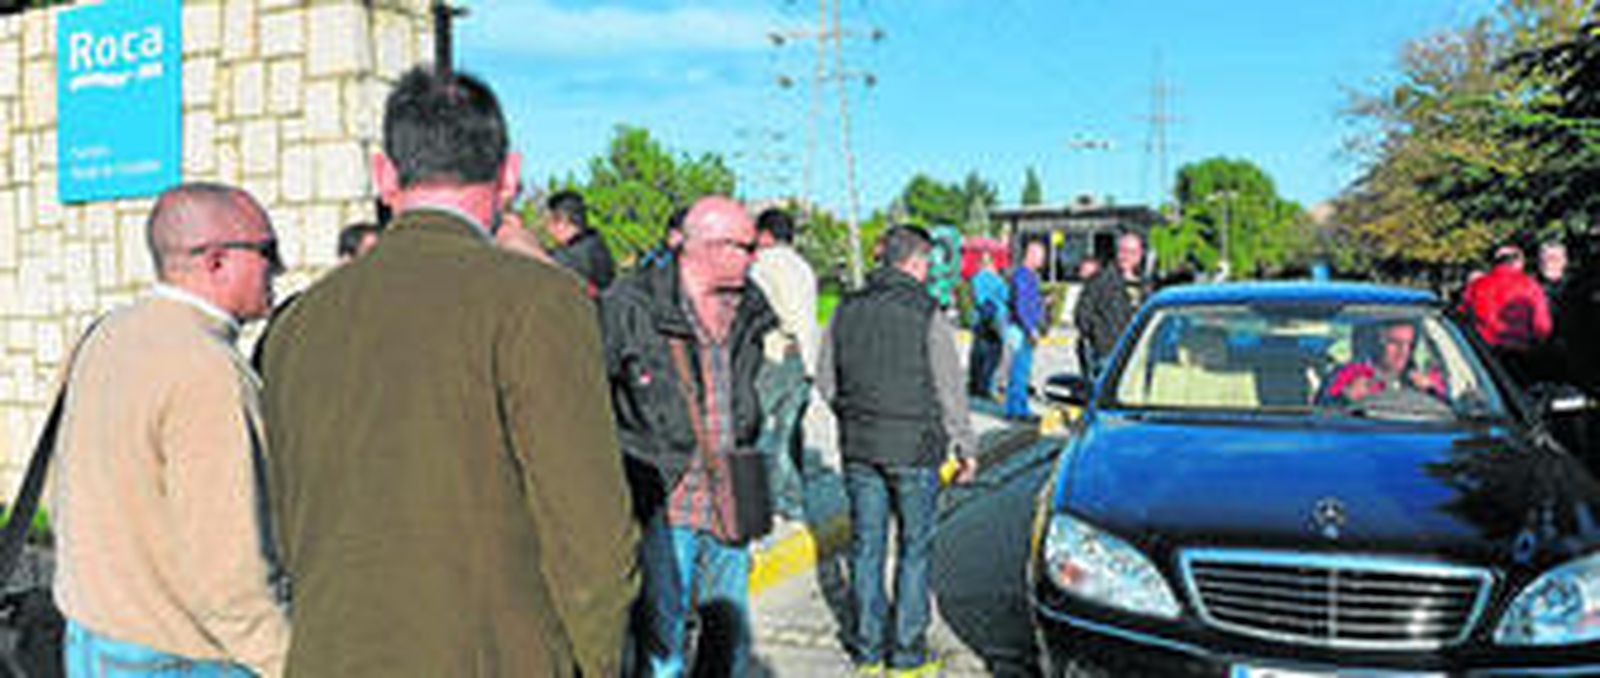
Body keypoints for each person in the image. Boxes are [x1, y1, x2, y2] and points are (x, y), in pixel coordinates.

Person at [258, 66, 638, 676]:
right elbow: (594, 544)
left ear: (383, 175)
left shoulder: (298, 324)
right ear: (509, 175)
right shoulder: (538, 302)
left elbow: (285, 525)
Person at [52, 182, 289, 676]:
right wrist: (289, 661)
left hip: (91, 638)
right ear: (217, 260)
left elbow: (67, 492)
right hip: (178, 657)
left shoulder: (103, 334)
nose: (280, 268)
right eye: (269, 251)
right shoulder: (207, 371)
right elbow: (230, 572)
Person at [599, 195, 778, 677]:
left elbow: (745, 392)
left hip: (731, 495)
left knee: (729, 636)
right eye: (744, 246)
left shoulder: (749, 306)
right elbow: (592, 392)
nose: (753, 256)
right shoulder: (630, 304)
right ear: (708, 247)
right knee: (663, 641)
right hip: (666, 500)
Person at [817, 225, 978, 675]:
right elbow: (950, 388)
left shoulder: (846, 309)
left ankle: (867, 653)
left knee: (866, 547)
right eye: (928, 263)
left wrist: (853, 416)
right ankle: (906, 656)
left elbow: (826, 378)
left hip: (859, 448)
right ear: (915, 262)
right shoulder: (927, 311)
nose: (930, 271)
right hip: (914, 450)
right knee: (914, 550)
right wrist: (965, 445)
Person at [749, 207, 818, 521]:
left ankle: (772, 502)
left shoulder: (763, 264)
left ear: (765, 235)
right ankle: (794, 503)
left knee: (762, 436)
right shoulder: (804, 266)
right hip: (803, 359)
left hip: (774, 354)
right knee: (788, 436)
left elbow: (761, 312)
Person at [1458, 243, 1552, 384]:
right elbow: (1542, 326)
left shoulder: (1476, 286)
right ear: (1517, 262)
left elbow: (1462, 318)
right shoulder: (1530, 285)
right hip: (1522, 354)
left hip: (1486, 355)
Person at [1076, 230, 1149, 376]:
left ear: (1140, 255)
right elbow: (1082, 315)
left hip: (1137, 354)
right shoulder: (1100, 281)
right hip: (1108, 355)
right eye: (1123, 251)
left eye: (1132, 252)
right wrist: (1100, 339)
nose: (1126, 256)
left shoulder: (1146, 285)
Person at [1322, 320, 1446, 404]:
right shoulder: (1347, 375)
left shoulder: (1425, 379)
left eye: (1408, 344)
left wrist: (1431, 392)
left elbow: (1452, 412)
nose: (1403, 352)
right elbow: (1320, 413)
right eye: (1394, 343)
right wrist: (1347, 398)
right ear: (1377, 342)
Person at [1004, 240, 1047, 419]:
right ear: (1031, 255)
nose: (1043, 261)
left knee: (1022, 370)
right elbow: (1022, 306)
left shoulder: (1029, 276)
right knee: (1019, 371)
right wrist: (1031, 329)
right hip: (1022, 330)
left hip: (1024, 328)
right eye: (1041, 257)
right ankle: (1017, 410)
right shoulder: (1023, 276)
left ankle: (1017, 407)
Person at [545, 189, 616, 295]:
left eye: (554, 221)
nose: (550, 229)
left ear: (567, 221)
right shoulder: (595, 243)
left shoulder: (583, 252)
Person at [966, 252, 1009, 400]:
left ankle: (975, 385)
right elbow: (1006, 297)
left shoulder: (975, 279)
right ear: (991, 264)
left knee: (978, 353)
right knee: (993, 355)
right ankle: (987, 386)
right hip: (996, 319)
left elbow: (976, 299)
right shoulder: (997, 280)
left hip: (980, 321)